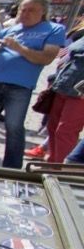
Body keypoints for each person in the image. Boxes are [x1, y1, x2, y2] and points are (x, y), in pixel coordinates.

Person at [0, 0, 68, 169]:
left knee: (14, 125)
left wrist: (19, 48)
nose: (25, 13)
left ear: (43, 11)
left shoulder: (53, 29)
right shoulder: (10, 29)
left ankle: (11, 167)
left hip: (20, 85)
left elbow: (47, 58)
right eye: (22, 9)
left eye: (30, 10)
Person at [44, 35, 84, 164]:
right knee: (52, 127)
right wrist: (54, 78)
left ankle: (62, 169)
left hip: (80, 93)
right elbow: (68, 59)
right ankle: (51, 165)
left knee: (65, 130)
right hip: (64, 85)